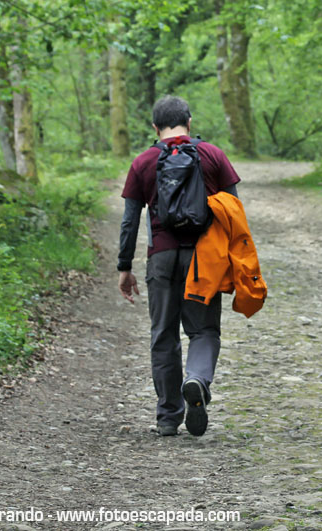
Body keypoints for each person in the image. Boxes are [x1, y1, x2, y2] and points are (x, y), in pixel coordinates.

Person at [117, 95, 240, 437]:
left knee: (163, 334)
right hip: (204, 259)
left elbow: (130, 221)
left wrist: (124, 266)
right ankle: (197, 379)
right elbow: (233, 210)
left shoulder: (144, 161)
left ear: (155, 128)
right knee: (203, 331)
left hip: (161, 256)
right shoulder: (213, 155)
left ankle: (168, 416)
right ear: (190, 122)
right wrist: (234, 261)